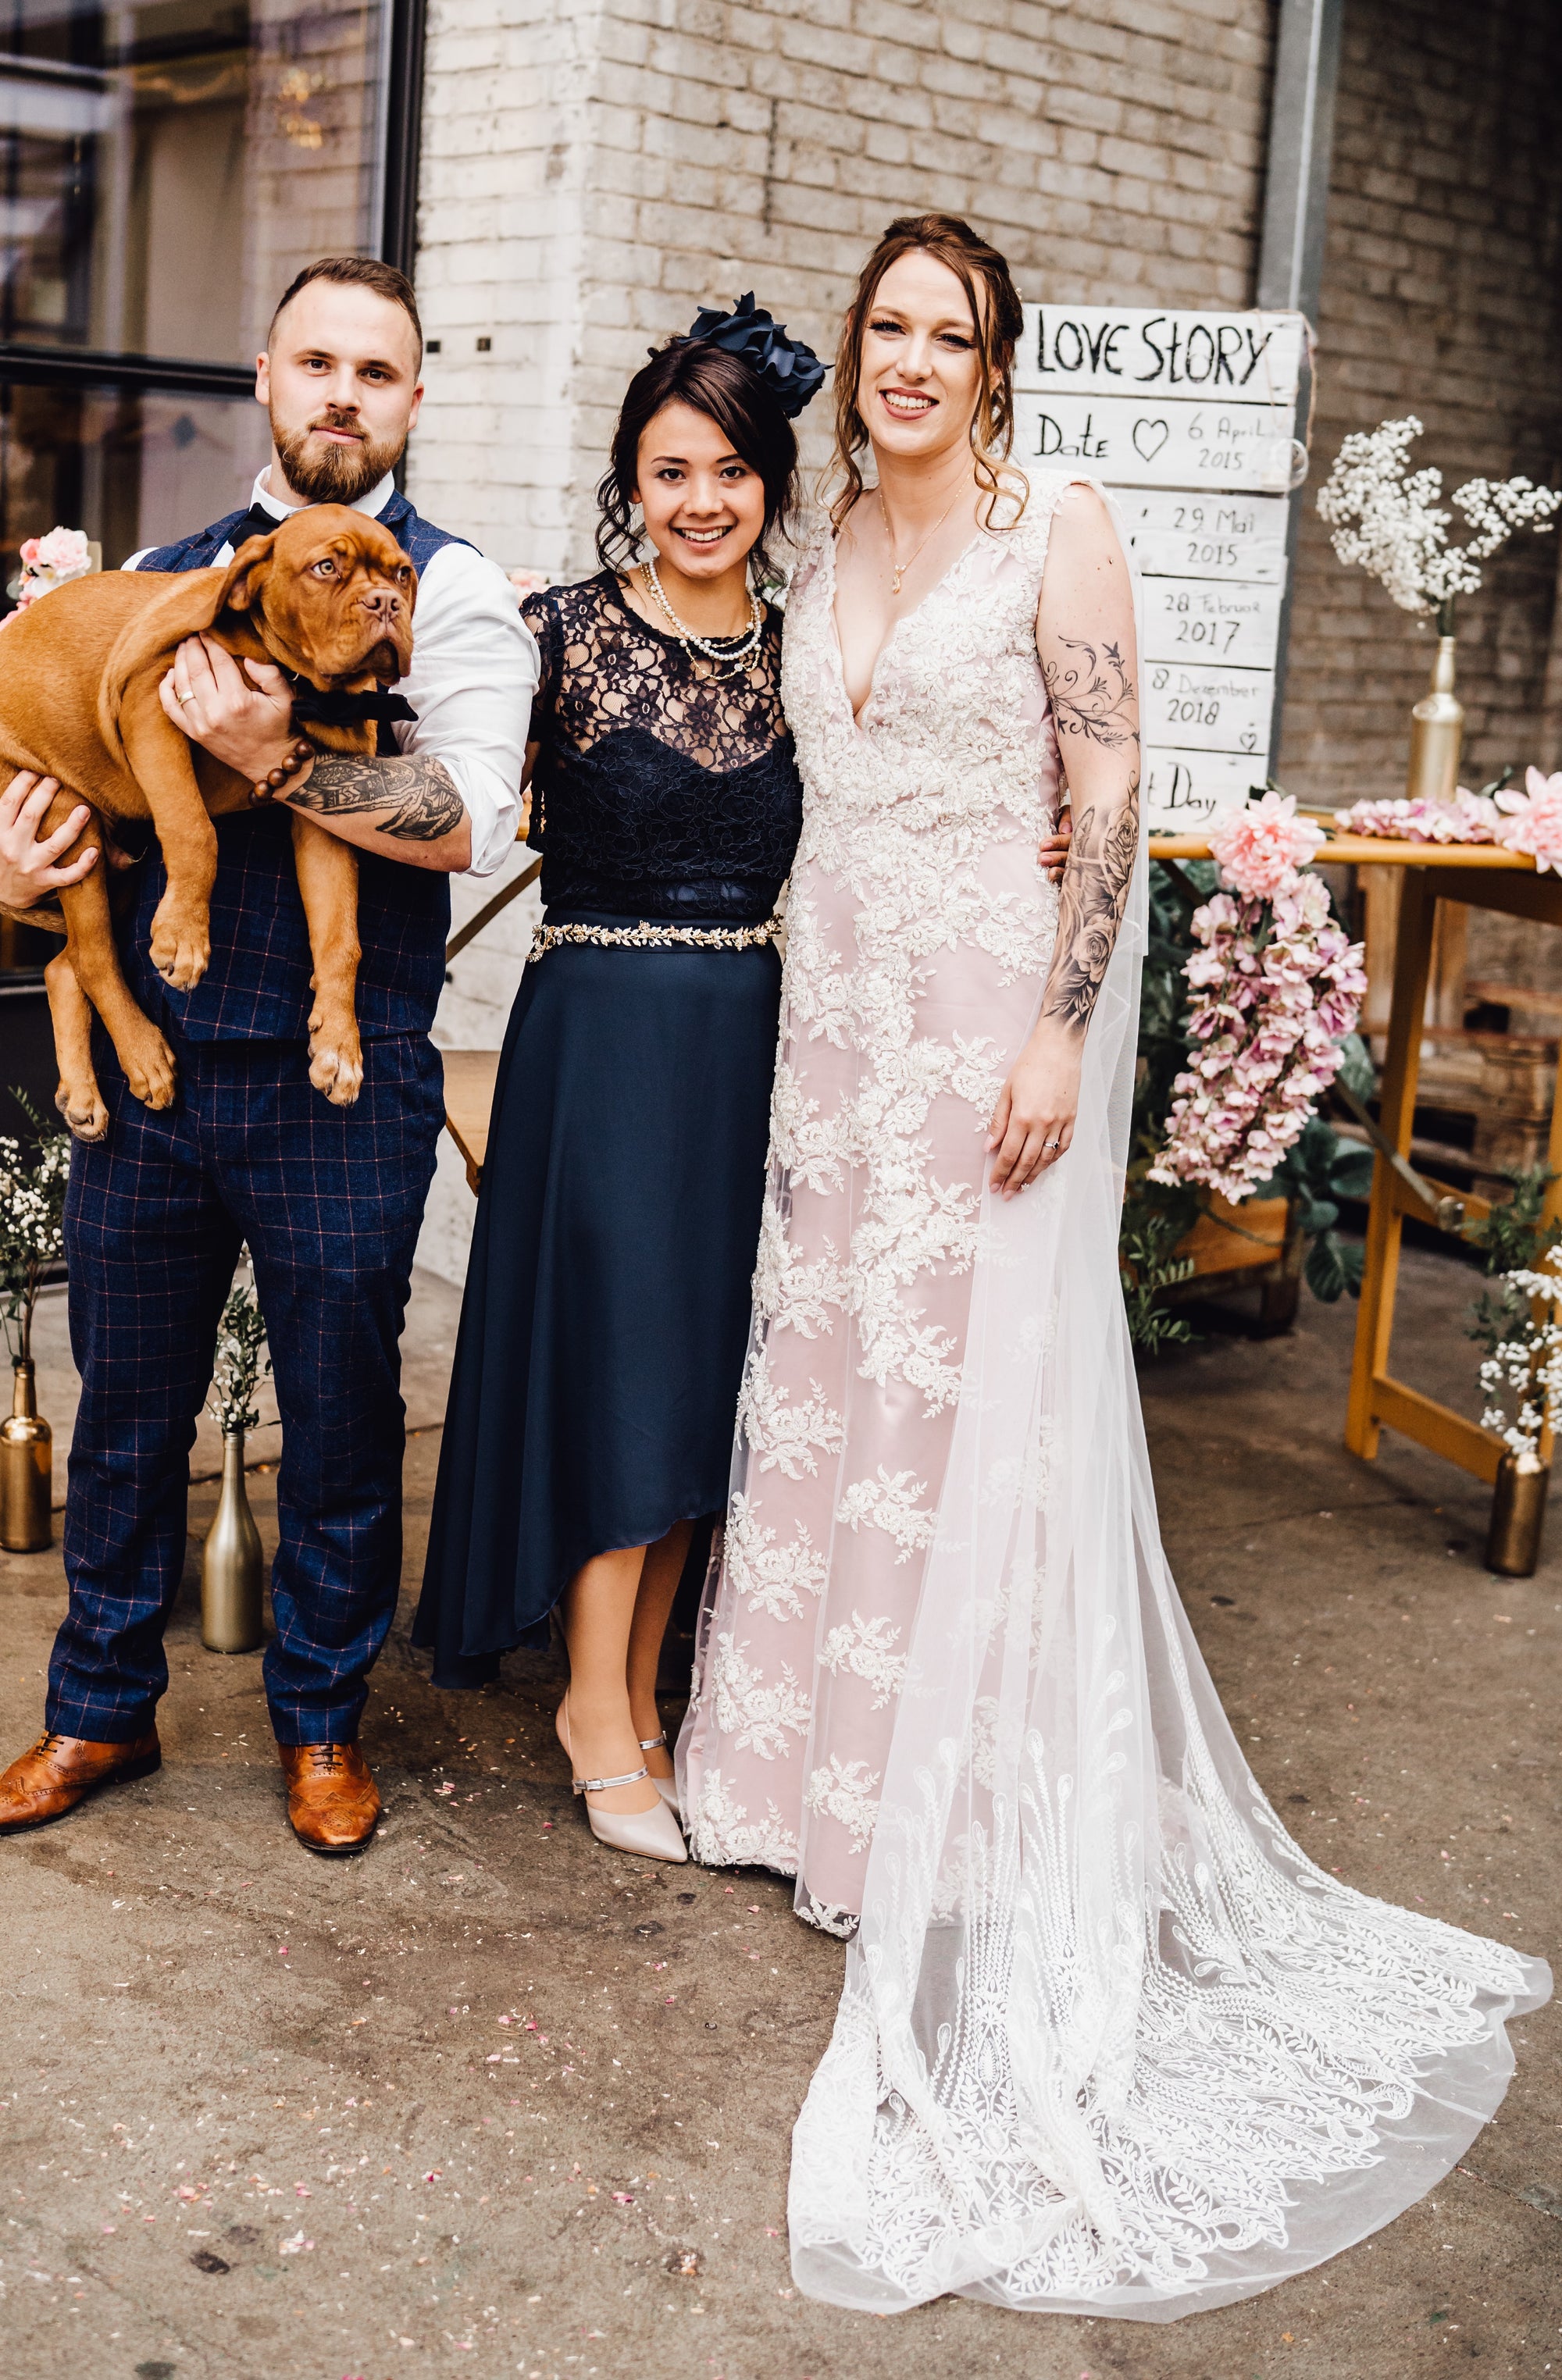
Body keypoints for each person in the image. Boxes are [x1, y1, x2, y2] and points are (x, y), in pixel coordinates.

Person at [678, 213, 1550, 2316]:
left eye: (945, 334)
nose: (907, 361)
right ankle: (800, 1786)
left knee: (969, 1404)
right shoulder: (816, 538)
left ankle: (949, 1815)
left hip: (990, 1027)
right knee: (833, 1387)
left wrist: (1064, 1024)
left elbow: (1110, 777)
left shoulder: (1051, 528)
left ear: (994, 365)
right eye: (884, 327)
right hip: (840, 1034)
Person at [0, 255, 535, 1854]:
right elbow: (53, 783)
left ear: (415, 400)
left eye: (377, 371)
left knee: (345, 1411)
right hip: (155, 1070)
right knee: (125, 1410)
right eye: (317, 362)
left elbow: (463, 824)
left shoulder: (452, 593)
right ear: (265, 376)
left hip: (342, 1075)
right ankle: (97, 1709)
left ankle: (320, 1723)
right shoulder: (159, 578)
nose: (342, 395)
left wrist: (268, 751)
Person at [412, 300, 823, 1864]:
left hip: (754, 1047)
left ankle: (645, 1696)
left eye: (730, 468)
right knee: (627, 1365)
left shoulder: (806, 655)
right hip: (600, 1039)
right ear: (628, 482)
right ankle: (593, 1705)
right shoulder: (556, 634)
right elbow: (447, 794)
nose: (701, 498)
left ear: (770, 483)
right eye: (670, 470)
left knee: (712, 1374)